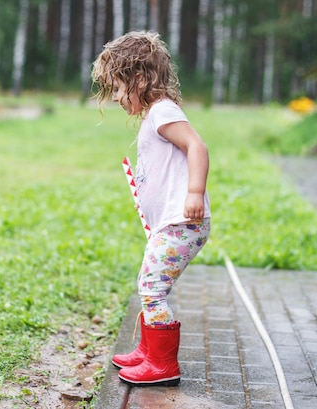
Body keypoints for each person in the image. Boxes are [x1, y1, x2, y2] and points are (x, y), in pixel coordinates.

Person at [91, 31, 211, 386]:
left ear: (140, 79)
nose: (114, 96)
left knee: (152, 287)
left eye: (117, 87)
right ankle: (149, 351)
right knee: (150, 284)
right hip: (170, 225)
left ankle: (162, 365)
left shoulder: (162, 111)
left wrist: (194, 193)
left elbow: (197, 147)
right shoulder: (154, 115)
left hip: (182, 222)